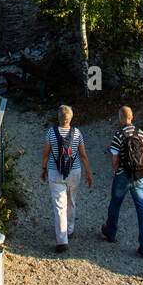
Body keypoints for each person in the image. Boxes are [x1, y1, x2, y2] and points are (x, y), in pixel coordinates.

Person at [101, 105, 143, 259]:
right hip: (139, 176)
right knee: (142, 209)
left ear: (121, 118)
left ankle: (111, 232)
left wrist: (117, 170)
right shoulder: (141, 133)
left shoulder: (119, 135)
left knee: (115, 204)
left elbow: (114, 158)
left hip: (123, 175)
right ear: (132, 117)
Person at [41, 105, 93, 254]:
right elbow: (83, 154)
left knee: (59, 205)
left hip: (55, 171)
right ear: (71, 118)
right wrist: (88, 172)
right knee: (71, 200)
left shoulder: (51, 132)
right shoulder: (77, 133)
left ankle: (62, 240)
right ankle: (69, 229)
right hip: (74, 170)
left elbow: (46, 153)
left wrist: (43, 168)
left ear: (59, 118)